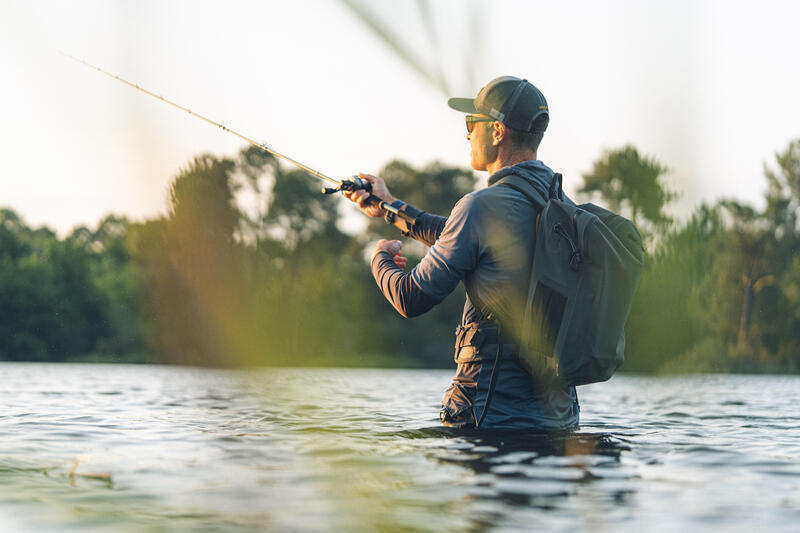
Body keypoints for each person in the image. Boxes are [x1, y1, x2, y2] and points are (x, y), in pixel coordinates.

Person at [345, 76, 579, 430]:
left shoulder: (479, 207)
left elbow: (411, 298)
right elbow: (465, 240)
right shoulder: (564, 209)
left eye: (473, 124)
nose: (467, 134)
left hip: (488, 416)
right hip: (560, 422)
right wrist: (390, 207)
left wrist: (380, 257)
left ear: (497, 132)